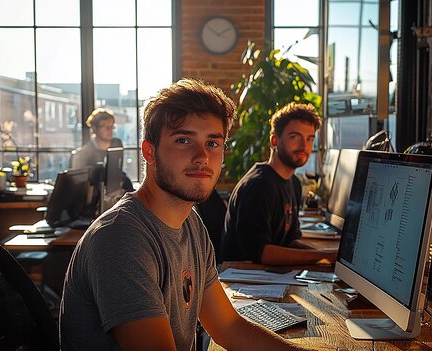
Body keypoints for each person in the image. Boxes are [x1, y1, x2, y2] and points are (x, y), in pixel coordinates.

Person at [60, 79, 311, 350]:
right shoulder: (120, 238)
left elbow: (228, 327)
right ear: (149, 152)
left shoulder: (190, 222)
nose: (202, 156)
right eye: (183, 140)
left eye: (213, 143)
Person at [220, 102, 337, 266]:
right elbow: (259, 253)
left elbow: (289, 240)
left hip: (269, 277)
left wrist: (324, 255)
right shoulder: (260, 186)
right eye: (295, 137)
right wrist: (322, 257)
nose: (304, 146)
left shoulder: (294, 183)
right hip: (245, 280)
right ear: (274, 141)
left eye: (309, 139)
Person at [71, 108, 133, 191]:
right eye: (106, 127)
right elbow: (79, 186)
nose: (110, 130)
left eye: (112, 127)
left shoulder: (116, 145)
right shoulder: (82, 155)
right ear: (95, 129)